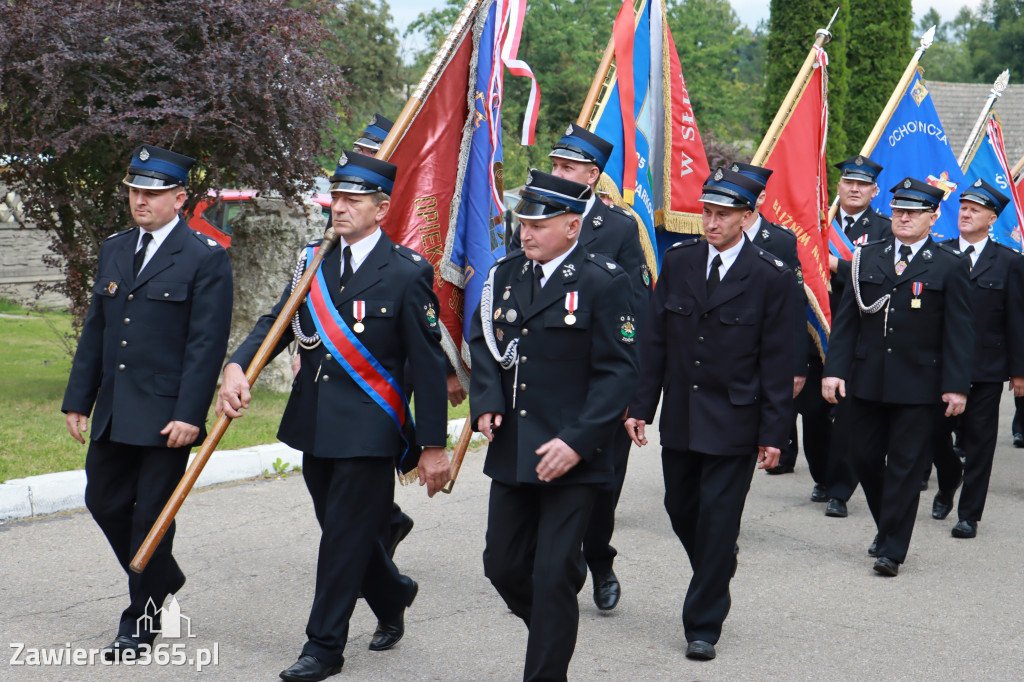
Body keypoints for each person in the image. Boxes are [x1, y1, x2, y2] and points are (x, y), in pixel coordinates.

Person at [218, 152, 450, 682]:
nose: (339, 208)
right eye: (336, 198)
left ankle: (323, 647)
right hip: (315, 419)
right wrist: (238, 366)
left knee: (341, 537)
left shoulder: (407, 271)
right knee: (345, 529)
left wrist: (432, 445)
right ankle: (393, 593)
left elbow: (428, 366)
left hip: (370, 427)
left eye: (352, 199)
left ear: (382, 208)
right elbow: (277, 322)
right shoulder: (314, 262)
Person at [61, 145, 233, 660]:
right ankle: (163, 574)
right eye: (136, 191)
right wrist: (79, 401)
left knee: (149, 517)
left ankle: (140, 620)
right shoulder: (115, 248)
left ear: (179, 199)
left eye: (153, 193)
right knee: (103, 501)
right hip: (115, 408)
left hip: (166, 415)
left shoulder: (206, 257)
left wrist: (189, 414)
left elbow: (206, 345)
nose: (141, 200)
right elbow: (97, 329)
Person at [470, 170, 638, 681]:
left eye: (539, 224)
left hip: (574, 456)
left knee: (552, 575)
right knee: (501, 565)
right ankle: (552, 622)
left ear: (572, 225)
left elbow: (618, 374)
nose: (526, 232)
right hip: (516, 447)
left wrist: (578, 440)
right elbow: (486, 345)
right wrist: (486, 398)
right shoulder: (505, 275)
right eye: (523, 221)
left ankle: (546, 668)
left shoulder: (603, 281)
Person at [625, 167, 795, 661]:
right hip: (682, 412)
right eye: (707, 212)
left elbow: (778, 361)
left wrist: (774, 433)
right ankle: (718, 563)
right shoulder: (680, 262)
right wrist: (641, 406)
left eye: (723, 215)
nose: (711, 222)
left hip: (736, 419)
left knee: (719, 520)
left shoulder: (770, 275)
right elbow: (654, 340)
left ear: (748, 216)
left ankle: (703, 624)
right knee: (680, 508)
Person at [509, 123, 649, 611]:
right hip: (543, 383)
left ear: (593, 174)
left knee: (599, 492)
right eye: (556, 164)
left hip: (598, 388)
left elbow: (637, 310)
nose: (558, 172)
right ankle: (553, 578)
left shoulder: (619, 227)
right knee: (541, 490)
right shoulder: (534, 215)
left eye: (569, 167)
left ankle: (600, 561)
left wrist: (637, 398)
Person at [822, 177, 973, 577]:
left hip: (919, 384)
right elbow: (847, 323)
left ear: (933, 216)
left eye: (913, 212)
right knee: (865, 458)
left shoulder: (949, 265)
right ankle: (887, 523)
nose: (903, 217)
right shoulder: (865, 257)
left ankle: (891, 548)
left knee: (906, 467)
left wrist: (956, 386)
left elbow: (960, 331)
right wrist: (834, 371)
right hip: (867, 377)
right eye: (898, 210)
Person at [930, 179, 1024, 538]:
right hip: (939, 367)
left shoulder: (1010, 262)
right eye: (964, 208)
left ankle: (969, 514)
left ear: (992, 218)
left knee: (981, 443)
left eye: (975, 210)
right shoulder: (939, 254)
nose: (966, 214)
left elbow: (1016, 319)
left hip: (986, 368)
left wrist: (1019, 371)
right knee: (935, 436)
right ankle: (949, 479)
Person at [819, 155, 893, 517]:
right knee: (814, 409)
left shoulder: (884, 228)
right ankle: (822, 474)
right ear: (839, 186)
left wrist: (839, 265)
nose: (854, 189)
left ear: (874, 191)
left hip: (861, 326)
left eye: (862, 185)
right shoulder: (820, 223)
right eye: (849, 182)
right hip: (816, 321)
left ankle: (840, 490)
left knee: (848, 411)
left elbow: (887, 270)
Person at [728, 162, 809, 478]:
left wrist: (798, 366)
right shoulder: (713, 234)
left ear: (760, 199)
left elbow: (794, 305)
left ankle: (777, 446)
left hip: (766, 344)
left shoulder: (780, 241)